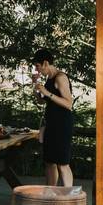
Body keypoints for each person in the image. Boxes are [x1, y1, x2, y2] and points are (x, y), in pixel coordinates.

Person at [32, 48, 75, 187]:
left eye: (38, 66)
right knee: (50, 161)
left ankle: (69, 197)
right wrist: (36, 88)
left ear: (45, 63)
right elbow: (42, 101)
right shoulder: (49, 79)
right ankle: (50, 193)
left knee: (62, 163)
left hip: (62, 124)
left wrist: (47, 93)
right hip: (51, 123)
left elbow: (69, 104)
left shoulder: (60, 77)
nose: (37, 70)